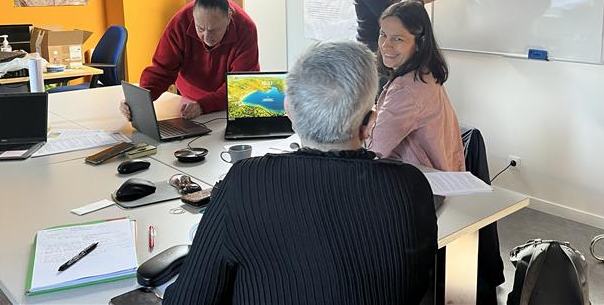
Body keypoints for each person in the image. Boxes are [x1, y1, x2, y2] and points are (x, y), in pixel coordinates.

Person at [164, 41, 438, 304]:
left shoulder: (245, 182)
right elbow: (416, 286)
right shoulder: (411, 186)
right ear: (369, 124)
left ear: (289, 112)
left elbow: (191, 298)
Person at [120, 0, 258, 120]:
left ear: (229, 17)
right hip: (188, 99)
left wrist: (203, 106)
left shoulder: (246, 29)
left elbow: (241, 84)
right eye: (200, 29)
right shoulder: (180, 22)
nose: (207, 37)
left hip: (229, 99)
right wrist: (138, 100)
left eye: (214, 30)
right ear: (192, 16)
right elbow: (162, 70)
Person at [369, 0, 465, 171]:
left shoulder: (406, 89)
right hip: (440, 174)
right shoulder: (425, 74)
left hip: (422, 181)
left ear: (419, 44)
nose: (385, 45)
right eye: (383, 34)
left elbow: (374, 151)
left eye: (398, 39)